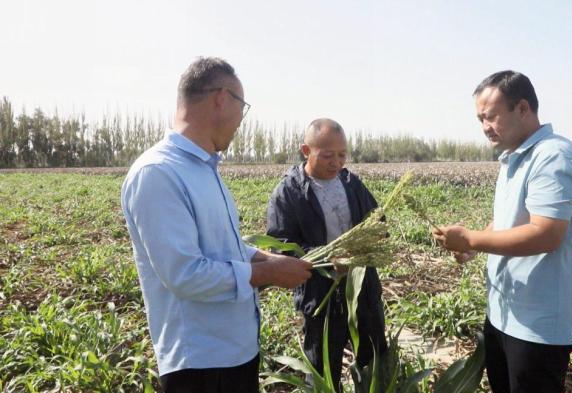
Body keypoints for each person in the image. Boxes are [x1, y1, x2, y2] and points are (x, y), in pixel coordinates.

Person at [121, 57, 312, 393]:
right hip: (200, 364)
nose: (241, 121)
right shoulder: (159, 173)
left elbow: (224, 247)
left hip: (235, 352)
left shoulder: (203, 169)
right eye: (243, 106)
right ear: (222, 99)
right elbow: (185, 274)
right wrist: (268, 274)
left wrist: (265, 259)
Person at [432, 71, 572, 393]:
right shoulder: (513, 158)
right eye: (480, 119)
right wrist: (474, 245)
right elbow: (509, 221)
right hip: (505, 314)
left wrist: (472, 238)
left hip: (538, 324)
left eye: (490, 117)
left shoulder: (552, 157)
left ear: (522, 108)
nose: (484, 128)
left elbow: (545, 234)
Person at [266, 118, 388, 390]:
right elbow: (280, 245)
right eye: (328, 155)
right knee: (323, 373)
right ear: (306, 151)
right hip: (320, 296)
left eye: (342, 155)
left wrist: (375, 236)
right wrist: (326, 260)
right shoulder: (289, 192)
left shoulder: (351, 183)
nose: (337, 162)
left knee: (374, 364)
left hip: (363, 292)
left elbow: (377, 220)